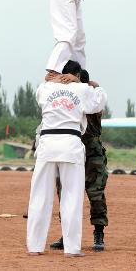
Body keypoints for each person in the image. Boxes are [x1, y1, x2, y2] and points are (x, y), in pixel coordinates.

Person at [26, 60, 107, 257]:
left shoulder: (45, 88)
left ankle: (35, 246)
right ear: (77, 75)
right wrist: (88, 84)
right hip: (70, 144)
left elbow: (42, 88)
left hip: (47, 144)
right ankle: (72, 249)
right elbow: (100, 100)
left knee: (39, 196)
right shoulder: (82, 89)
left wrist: (52, 79)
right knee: (72, 196)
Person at [49, 69, 109, 252]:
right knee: (65, 193)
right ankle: (67, 233)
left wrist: (90, 85)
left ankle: (98, 233)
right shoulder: (66, 100)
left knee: (96, 193)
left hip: (92, 153)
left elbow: (98, 95)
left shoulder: (92, 97)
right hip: (70, 150)